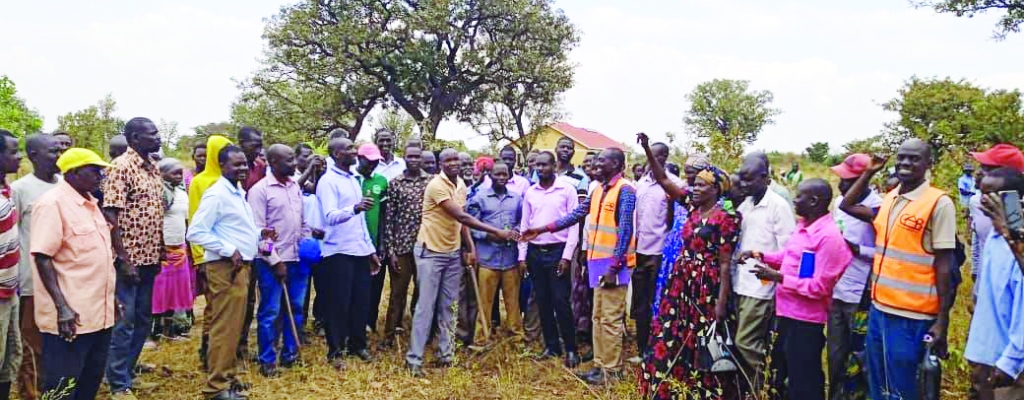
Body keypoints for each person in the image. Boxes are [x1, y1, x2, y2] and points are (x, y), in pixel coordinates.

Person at [839, 139, 957, 400]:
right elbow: (846, 206)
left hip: (913, 316)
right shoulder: (891, 198)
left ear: (929, 164)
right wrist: (869, 171)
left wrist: (942, 320)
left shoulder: (939, 203)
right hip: (880, 310)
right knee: (878, 384)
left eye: (913, 158)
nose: (905, 163)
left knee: (903, 389)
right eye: (901, 157)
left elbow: (945, 265)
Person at [523, 145, 636, 385]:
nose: (596, 164)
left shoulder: (625, 191)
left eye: (602, 160)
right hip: (597, 262)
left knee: (610, 319)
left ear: (616, 165)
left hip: (613, 266)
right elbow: (574, 216)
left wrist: (614, 267)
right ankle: (600, 365)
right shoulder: (598, 190)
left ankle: (612, 370)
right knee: (597, 317)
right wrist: (541, 229)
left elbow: (625, 231)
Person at [405, 149, 517, 377]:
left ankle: (445, 355)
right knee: (426, 307)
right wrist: (498, 231)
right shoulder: (436, 185)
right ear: (439, 164)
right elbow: (462, 216)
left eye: (456, 159)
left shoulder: (461, 187)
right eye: (448, 160)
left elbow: (462, 224)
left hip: (452, 252)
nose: (454, 163)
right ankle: (414, 360)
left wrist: (470, 247)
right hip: (431, 252)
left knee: (450, 306)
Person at [638, 152, 740, 400]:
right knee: (670, 331)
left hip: (707, 285)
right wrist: (648, 150)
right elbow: (663, 180)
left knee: (703, 339)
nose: (694, 188)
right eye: (694, 184)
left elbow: (725, 264)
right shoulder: (692, 206)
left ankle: (703, 390)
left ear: (716, 189)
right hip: (681, 282)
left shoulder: (727, 218)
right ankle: (671, 386)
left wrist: (720, 303)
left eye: (701, 185)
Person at [742, 179, 853, 400]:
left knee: (804, 380)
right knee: (783, 372)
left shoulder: (829, 237)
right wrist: (760, 256)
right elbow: (789, 257)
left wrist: (779, 278)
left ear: (813, 201)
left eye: (799, 196)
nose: (794, 200)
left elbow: (819, 287)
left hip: (805, 321)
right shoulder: (803, 226)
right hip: (786, 313)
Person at [32, 148, 114, 400]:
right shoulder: (52, 204)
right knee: (61, 389)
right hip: (71, 318)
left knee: (88, 384)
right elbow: (43, 257)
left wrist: (111, 299)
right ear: (75, 173)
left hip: (99, 315)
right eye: (95, 170)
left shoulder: (91, 204)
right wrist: (62, 307)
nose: (101, 176)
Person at [186, 145, 259, 400]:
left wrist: (261, 236)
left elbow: (237, 229)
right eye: (236, 164)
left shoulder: (238, 191)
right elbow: (195, 232)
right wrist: (228, 249)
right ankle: (216, 388)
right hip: (226, 268)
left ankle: (227, 377)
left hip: (241, 267)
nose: (242, 168)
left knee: (234, 327)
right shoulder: (216, 194)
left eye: (244, 164)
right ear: (223, 166)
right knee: (224, 328)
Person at [103, 117, 165, 399]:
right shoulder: (120, 168)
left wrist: (161, 248)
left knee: (142, 319)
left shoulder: (153, 168)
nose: (157, 137)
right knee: (124, 322)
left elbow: (154, 213)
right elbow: (111, 215)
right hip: (129, 260)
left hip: (150, 258)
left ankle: (128, 373)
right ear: (134, 138)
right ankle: (117, 384)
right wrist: (123, 258)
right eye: (151, 134)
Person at [316, 138, 381, 370]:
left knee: (360, 301)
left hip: (359, 250)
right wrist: (354, 208)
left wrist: (370, 250)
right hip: (337, 251)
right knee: (338, 303)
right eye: (349, 148)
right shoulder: (328, 181)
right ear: (336, 153)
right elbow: (330, 216)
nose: (355, 151)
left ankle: (358, 345)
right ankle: (335, 351)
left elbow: (361, 220)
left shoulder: (354, 179)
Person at [733, 153, 796, 388]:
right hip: (740, 283)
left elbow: (788, 252)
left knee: (745, 342)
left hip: (760, 288)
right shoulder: (746, 204)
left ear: (764, 177)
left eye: (749, 179)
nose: (744, 184)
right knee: (743, 340)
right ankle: (750, 387)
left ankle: (763, 387)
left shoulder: (778, 206)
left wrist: (772, 276)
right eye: (742, 178)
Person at [248, 144, 309, 377]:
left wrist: (306, 244)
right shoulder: (259, 191)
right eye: (289, 160)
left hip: (297, 258)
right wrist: (275, 261)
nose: (294, 164)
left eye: (294, 159)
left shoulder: (294, 187)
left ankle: (291, 354)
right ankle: (267, 359)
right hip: (271, 263)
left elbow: (301, 221)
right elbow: (258, 231)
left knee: (295, 308)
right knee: (270, 312)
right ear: (273, 161)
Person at [827, 154, 882, 399]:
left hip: (861, 292)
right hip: (836, 289)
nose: (841, 185)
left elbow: (887, 251)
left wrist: (859, 250)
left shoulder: (877, 207)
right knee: (835, 353)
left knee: (861, 354)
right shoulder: (839, 201)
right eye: (841, 179)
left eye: (848, 180)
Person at [966, 167, 1024, 400]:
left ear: (1014, 200)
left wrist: (1008, 364)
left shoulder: (1015, 247)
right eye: (981, 194)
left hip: (1009, 370)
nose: (982, 202)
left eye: (991, 196)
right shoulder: (995, 235)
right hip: (988, 360)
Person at [11, 134, 60, 400]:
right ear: (34, 155)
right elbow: (12, 233)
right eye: (53, 151)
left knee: (54, 340)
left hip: (61, 280)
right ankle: (30, 393)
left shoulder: (65, 185)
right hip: (31, 281)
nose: (59, 155)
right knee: (32, 344)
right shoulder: (20, 189)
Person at [519, 152, 579, 367]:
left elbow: (574, 225)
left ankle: (571, 349)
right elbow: (525, 225)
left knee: (561, 301)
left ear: (554, 166)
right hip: (535, 252)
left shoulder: (567, 189)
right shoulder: (530, 192)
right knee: (542, 301)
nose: (541, 168)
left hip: (558, 251)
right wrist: (522, 256)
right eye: (537, 165)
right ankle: (551, 346)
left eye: (545, 165)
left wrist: (566, 256)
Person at [632, 141, 684, 362]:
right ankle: (642, 350)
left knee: (658, 304)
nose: (650, 160)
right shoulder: (640, 184)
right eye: (648, 155)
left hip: (660, 254)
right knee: (641, 304)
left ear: (664, 158)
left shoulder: (674, 185)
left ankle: (659, 350)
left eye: (655, 156)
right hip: (639, 252)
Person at [188, 134, 233, 369]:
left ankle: (223, 354)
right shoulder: (201, 182)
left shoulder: (230, 180)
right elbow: (195, 220)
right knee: (214, 308)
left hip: (231, 257)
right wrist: (199, 258)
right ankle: (207, 352)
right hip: (209, 256)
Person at [467, 162, 524, 347]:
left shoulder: (516, 199)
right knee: (485, 302)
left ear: (509, 176)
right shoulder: (479, 198)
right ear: (489, 175)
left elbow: (522, 221)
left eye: (504, 174)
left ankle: (517, 338)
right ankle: (482, 338)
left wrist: (514, 232)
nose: (501, 178)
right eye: (497, 174)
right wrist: (488, 234)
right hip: (487, 258)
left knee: (512, 302)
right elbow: (470, 226)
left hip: (510, 259)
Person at [381, 145, 431, 348]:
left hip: (426, 245)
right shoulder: (395, 184)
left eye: (417, 156)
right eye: (409, 156)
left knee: (423, 292)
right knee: (397, 293)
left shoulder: (431, 182)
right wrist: (390, 250)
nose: (413, 160)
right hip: (401, 247)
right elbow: (389, 218)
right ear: (404, 158)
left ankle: (420, 335)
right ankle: (389, 335)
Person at [651, 153, 707, 321]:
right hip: (672, 247)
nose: (688, 176)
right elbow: (670, 220)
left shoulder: (704, 197)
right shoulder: (682, 193)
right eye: (687, 172)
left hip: (690, 252)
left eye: (692, 172)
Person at [151, 159, 194, 342]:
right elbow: (153, 220)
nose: (179, 176)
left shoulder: (182, 193)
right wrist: (160, 246)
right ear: (162, 174)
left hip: (179, 248)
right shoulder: (158, 193)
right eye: (174, 173)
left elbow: (185, 220)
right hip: (162, 249)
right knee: (157, 291)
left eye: (180, 173)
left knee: (174, 291)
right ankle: (153, 333)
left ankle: (170, 331)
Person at [354, 144, 389, 334]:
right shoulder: (351, 179)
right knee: (355, 286)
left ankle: (370, 322)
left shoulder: (382, 181)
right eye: (369, 161)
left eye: (376, 162)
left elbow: (383, 214)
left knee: (374, 286)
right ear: (359, 158)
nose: (372, 165)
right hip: (354, 244)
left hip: (375, 242)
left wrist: (382, 243)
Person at [236, 127, 265, 360]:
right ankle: (216, 349)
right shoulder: (228, 168)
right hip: (233, 241)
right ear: (241, 143)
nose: (258, 149)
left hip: (254, 238)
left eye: (260, 144)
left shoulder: (260, 168)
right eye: (254, 144)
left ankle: (243, 343)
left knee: (251, 297)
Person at [0, 131, 20, 400]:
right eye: (13, 152)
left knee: (9, 359)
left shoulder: (7, 192)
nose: (19, 157)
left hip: (9, 292)